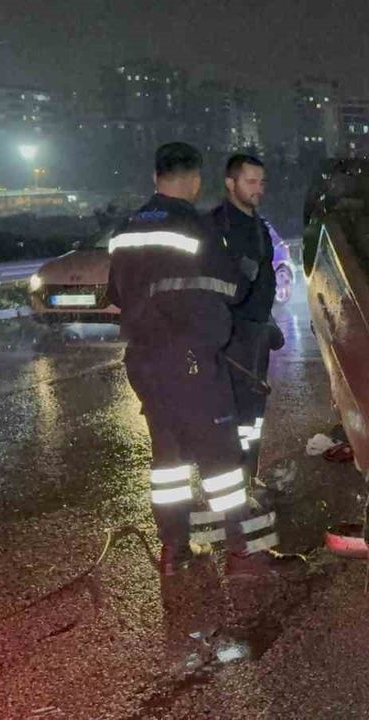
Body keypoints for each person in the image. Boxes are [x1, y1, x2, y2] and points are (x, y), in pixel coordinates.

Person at [106, 142, 283, 578]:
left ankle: (174, 551)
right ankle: (243, 553)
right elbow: (232, 289)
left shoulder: (127, 229)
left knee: (168, 461)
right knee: (220, 457)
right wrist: (245, 270)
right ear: (196, 181)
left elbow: (116, 295)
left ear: (155, 177)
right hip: (190, 360)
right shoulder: (195, 227)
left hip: (144, 359)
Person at [211, 154, 283, 483]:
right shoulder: (217, 226)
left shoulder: (257, 224)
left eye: (262, 182)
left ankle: (249, 477)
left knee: (253, 414)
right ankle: (232, 483)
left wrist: (266, 322)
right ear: (231, 183)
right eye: (251, 182)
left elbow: (263, 277)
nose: (259, 189)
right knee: (234, 415)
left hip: (256, 332)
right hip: (231, 334)